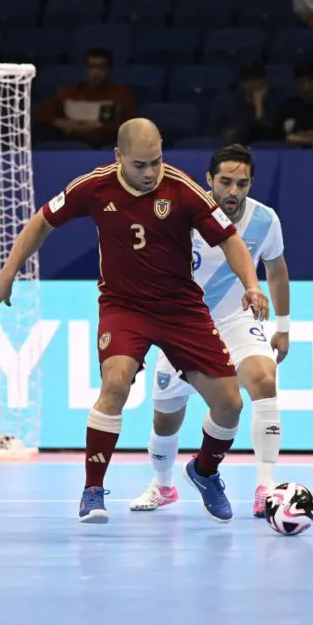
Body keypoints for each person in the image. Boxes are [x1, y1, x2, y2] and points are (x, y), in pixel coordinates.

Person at [0, 118, 271, 524]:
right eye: (139, 165)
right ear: (118, 158)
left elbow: (229, 238)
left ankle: (204, 472)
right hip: (124, 307)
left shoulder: (182, 189)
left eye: (157, 162)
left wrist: (252, 284)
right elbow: (44, 219)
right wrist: (8, 273)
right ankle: (92, 490)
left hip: (180, 307)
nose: (150, 173)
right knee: (115, 382)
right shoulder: (94, 186)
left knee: (230, 404)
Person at [129, 144, 291, 517]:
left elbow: (277, 270)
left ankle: (265, 487)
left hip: (237, 317)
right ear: (209, 180)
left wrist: (283, 326)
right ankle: (164, 485)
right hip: (182, 323)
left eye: (242, 183)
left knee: (264, 380)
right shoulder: (180, 214)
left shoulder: (265, 220)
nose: (234, 191)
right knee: (166, 417)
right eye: (226, 182)